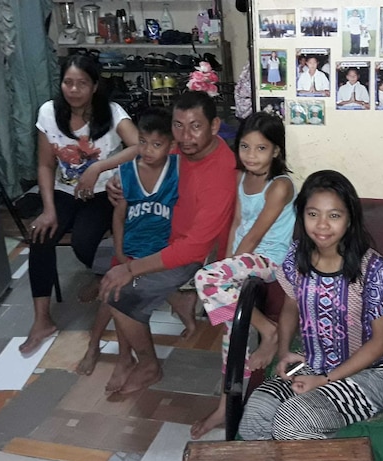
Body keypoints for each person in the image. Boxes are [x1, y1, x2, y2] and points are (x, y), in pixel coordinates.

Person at [238, 170, 383, 441]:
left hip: (369, 374)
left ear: (349, 220)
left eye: (334, 216)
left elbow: (382, 343)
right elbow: (291, 306)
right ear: (302, 215)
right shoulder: (297, 256)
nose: (322, 225)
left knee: (292, 422)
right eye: (313, 214)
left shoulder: (373, 268)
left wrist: (325, 380)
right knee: (256, 413)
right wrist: (284, 353)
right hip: (313, 361)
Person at [98, 91, 237, 395]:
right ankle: (133, 350)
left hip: (193, 255)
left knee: (119, 297)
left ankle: (148, 365)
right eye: (178, 125)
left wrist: (133, 269)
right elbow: (148, 155)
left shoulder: (219, 172)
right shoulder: (182, 151)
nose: (185, 137)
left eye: (195, 126)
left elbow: (194, 248)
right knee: (116, 274)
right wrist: (119, 180)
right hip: (161, 236)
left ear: (214, 126)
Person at [19, 54, 139, 355]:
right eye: (68, 83)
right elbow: (45, 165)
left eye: (82, 84)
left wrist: (98, 168)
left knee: (84, 242)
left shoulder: (111, 113)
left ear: (95, 86)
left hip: (102, 192)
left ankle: (102, 275)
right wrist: (47, 210)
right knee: (41, 237)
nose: (73, 90)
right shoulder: (48, 113)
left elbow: (139, 146)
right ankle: (42, 320)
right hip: (63, 191)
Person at [190, 112, 296, 439]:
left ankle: (269, 330)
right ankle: (226, 406)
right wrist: (226, 265)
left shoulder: (280, 186)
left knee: (204, 280)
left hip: (271, 260)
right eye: (245, 147)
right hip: (245, 260)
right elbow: (237, 225)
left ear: (276, 151)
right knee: (230, 334)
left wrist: (222, 272)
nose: (251, 156)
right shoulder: (241, 179)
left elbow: (254, 237)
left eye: (261, 149)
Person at [76, 108, 178, 376]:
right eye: (142, 142)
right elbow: (118, 217)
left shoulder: (178, 171)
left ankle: (123, 357)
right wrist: (120, 253)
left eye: (157, 144)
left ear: (171, 145)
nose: (148, 150)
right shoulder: (126, 174)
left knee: (121, 300)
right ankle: (97, 346)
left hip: (156, 254)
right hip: (128, 250)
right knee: (111, 298)